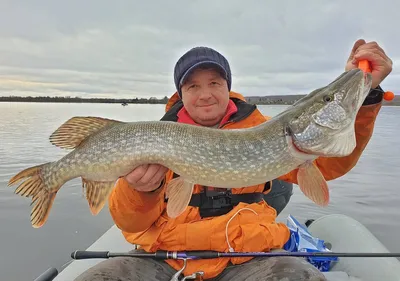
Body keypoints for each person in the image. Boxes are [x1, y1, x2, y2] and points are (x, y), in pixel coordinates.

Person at [75, 39, 393, 281]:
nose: (205, 94)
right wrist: (139, 190)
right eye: (193, 86)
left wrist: (368, 92)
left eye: (215, 83)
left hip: (246, 256)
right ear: (180, 94)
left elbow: (332, 164)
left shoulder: (263, 131)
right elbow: (130, 223)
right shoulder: (159, 136)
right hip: (165, 256)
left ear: (228, 87)